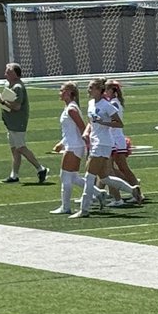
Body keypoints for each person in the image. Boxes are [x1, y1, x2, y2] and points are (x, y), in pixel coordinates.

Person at [71, 78, 136, 219]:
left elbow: (119, 123)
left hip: (103, 143)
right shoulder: (91, 103)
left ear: (99, 90)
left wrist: (104, 122)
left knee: (89, 177)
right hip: (95, 142)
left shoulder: (107, 105)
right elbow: (91, 121)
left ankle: (84, 209)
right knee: (105, 178)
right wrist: (87, 133)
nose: (88, 90)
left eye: (91, 88)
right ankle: (132, 190)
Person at [0, 63, 49, 184]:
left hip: (17, 122)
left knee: (20, 147)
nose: (5, 74)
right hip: (11, 123)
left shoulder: (18, 87)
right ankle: (14, 175)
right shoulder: (11, 85)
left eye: (8, 72)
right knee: (15, 149)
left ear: (15, 74)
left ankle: (41, 168)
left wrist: (2, 102)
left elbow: (17, 106)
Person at [103, 80, 143, 206]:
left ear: (112, 91)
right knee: (115, 168)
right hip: (116, 138)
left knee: (117, 168)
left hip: (115, 139)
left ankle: (134, 189)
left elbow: (112, 119)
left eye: (106, 89)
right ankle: (132, 187)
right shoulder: (114, 102)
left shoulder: (113, 103)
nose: (104, 92)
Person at [51, 81, 88, 215]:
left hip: (74, 146)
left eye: (62, 91)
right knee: (73, 177)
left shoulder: (71, 109)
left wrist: (87, 145)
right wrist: (62, 143)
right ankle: (98, 193)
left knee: (65, 176)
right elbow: (70, 131)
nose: (60, 93)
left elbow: (82, 128)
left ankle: (65, 207)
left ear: (69, 93)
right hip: (72, 144)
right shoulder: (70, 107)